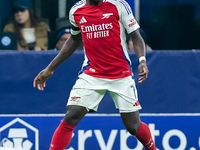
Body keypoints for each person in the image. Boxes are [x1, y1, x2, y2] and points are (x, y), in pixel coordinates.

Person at [33, 0, 158, 150]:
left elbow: (136, 36)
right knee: (72, 115)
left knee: (133, 127)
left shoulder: (119, 5)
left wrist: (142, 61)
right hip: (92, 73)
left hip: (120, 74)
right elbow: (73, 40)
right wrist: (50, 68)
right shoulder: (76, 11)